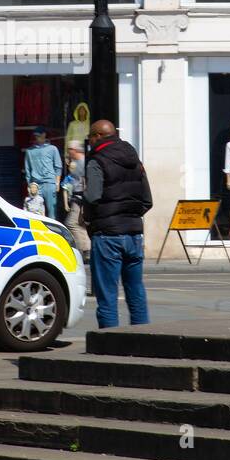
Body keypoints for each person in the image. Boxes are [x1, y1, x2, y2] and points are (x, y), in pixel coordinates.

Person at [83, 119, 152, 328]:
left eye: (90, 138)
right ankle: (143, 338)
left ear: (97, 136)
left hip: (107, 234)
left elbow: (93, 196)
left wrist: (89, 219)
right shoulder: (135, 160)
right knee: (136, 291)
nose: (89, 142)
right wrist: (130, 215)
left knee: (107, 295)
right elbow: (147, 201)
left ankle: (108, 342)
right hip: (134, 234)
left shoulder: (97, 160)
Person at [22, 127, 62, 218]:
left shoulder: (52, 149)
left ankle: (53, 231)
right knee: (35, 211)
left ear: (44, 135)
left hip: (50, 183)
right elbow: (28, 170)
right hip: (35, 184)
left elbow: (58, 167)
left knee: (52, 211)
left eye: (39, 135)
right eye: (36, 136)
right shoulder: (29, 151)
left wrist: (57, 183)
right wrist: (30, 186)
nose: (37, 138)